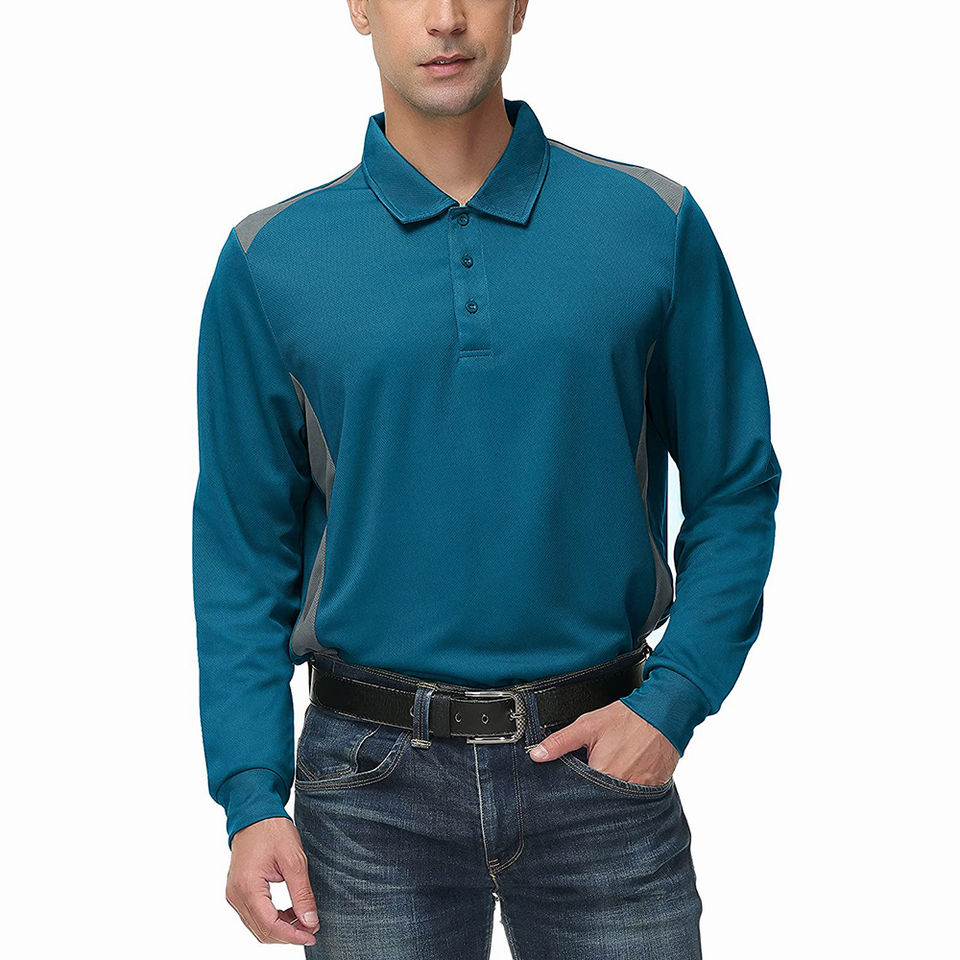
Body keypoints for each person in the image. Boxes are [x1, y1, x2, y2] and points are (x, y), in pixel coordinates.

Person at [192, 1, 781, 956]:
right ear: (360, 8)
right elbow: (240, 553)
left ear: (519, 5)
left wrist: (672, 702)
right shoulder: (273, 259)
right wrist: (251, 797)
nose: (445, 18)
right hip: (368, 793)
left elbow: (736, 486)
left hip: (602, 768)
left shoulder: (650, 222)